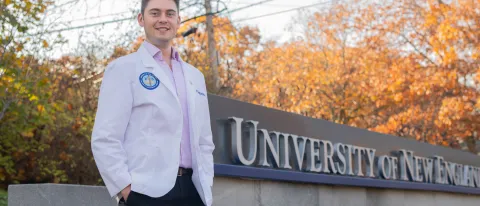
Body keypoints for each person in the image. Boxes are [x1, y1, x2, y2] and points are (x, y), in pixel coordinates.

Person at [90, 0, 215, 205]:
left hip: (193, 191)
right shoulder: (123, 69)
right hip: (145, 193)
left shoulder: (195, 76)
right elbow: (105, 138)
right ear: (141, 19)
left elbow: (204, 141)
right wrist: (126, 190)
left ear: (178, 20)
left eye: (169, 14)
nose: (163, 19)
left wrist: (206, 182)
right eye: (155, 13)